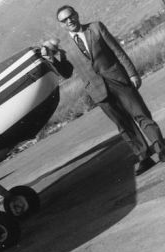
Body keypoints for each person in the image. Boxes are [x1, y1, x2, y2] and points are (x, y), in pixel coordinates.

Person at [43, 5, 165, 175]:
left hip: (119, 80)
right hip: (97, 90)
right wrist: (52, 60)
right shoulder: (65, 48)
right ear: (61, 24)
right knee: (123, 124)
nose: (69, 21)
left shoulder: (96, 27)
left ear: (77, 15)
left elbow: (118, 51)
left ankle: (161, 149)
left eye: (71, 16)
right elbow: (67, 73)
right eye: (64, 20)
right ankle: (144, 156)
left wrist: (132, 73)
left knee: (141, 114)